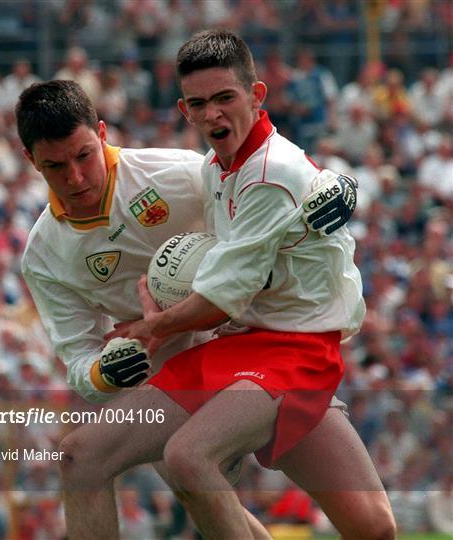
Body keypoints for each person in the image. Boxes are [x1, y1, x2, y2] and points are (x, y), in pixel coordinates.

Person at [15, 79, 370, 539]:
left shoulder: (171, 172)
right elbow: (79, 360)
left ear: (102, 133)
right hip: (169, 373)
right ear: (30, 161)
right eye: (55, 166)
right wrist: (107, 371)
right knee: (115, 461)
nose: (75, 178)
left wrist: (334, 183)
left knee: (372, 526)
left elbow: (258, 177)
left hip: (257, 346)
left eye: (83, 155)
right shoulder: (43, 255)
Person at [104, 30, 396, 539]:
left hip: (295, 353)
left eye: (225, 98)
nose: (213, 114)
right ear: (184, 110)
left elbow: (219, 299)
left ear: (256, 95)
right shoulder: (217, 170)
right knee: (374, 530)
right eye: (199, 103)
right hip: (253, 347)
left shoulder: (269, 172)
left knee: (187, 457)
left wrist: (154, 326)